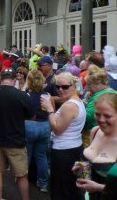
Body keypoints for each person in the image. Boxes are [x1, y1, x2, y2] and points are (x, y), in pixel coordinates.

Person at [0, 67, 35, 200]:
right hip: (16, 141)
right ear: (14, 79)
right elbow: (32, 116)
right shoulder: (22, 95)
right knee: (21, 175)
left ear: (1, 79)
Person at [41, 71, 86, 200]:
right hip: (74, 148)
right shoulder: (76, 101)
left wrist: (50, 109)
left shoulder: (69, 106)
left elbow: (57, 129)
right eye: (58, 87)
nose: (60, 90)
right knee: (71, 187)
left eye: (65, 87)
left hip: (64, 152)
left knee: (62, 190)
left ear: (73, 86)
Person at [74, 92, 117, 200]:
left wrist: (99, 187)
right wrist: (81, 168)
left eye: (107, 116)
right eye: (97, 114)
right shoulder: (95, 131)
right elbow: (92, 161)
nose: (101, 120)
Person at [25, 69, 51, 193]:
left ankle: (22, 180)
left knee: (27, 155)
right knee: (42, 156)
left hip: (29, 125)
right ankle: (44, 183)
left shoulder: (27, 95)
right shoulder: (46, 95)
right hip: (45, 126)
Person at [82, 65, 115, 147]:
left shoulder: (98, 97)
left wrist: (79, 105)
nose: (87, 88)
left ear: (97, 84)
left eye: (89, 85)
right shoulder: (111, 91)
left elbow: (86, 116)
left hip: (95, 135)